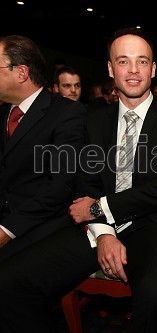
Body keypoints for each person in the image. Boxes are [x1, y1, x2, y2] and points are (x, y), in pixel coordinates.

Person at [0, 28, 157, 333]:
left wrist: (98, 209)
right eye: (123, 61)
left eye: (142, 62)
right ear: (110, 68)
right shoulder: (91, 119)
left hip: (155, 223)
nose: (133, 71)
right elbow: (86, 181)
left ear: (153, 69)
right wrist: (103, 232)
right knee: (9, 282)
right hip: (96, 227)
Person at [0, 35, 86, 261]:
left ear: (21, 73)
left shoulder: (67, 114)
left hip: (39, 228)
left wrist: (7, 230)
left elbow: (59, 185)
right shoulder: (3, 113)